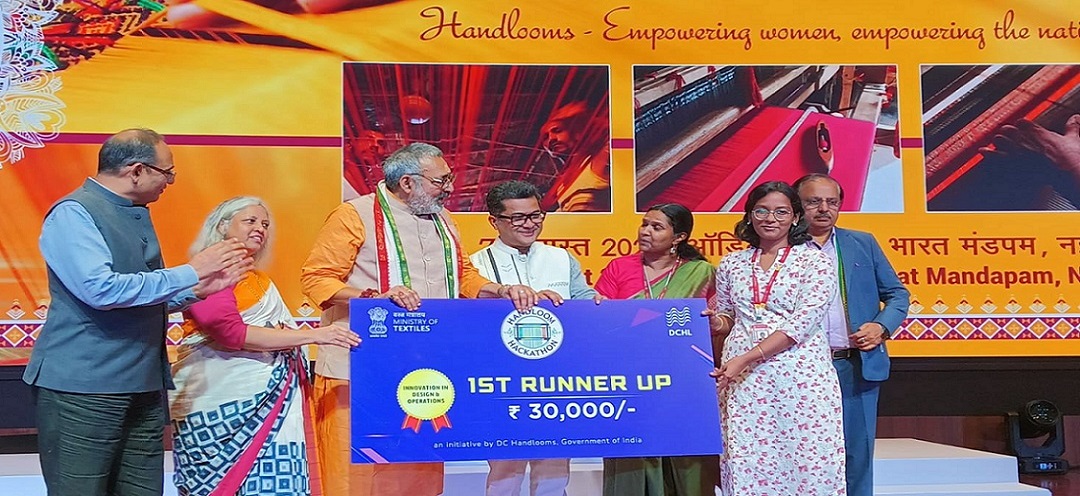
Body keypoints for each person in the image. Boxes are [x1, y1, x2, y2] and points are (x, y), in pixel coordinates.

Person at [300, 142, 541, 496]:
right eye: (441, 181)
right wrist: (374, 298)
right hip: (360, 365)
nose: (449, 188)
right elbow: (316, 279)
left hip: (425, 366)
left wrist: (499, 290)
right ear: (408, 182)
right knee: (358, 472)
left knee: (418, 464)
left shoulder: (444, 220)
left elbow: (463, 275)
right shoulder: (354, 215)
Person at [24, 128, 250, 496]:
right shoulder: (74, 213)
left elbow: (136, 298)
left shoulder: (133, 212)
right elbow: (101, 290)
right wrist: (191, 271)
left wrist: (194, 292)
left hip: (142, 382)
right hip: (85, 386)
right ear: (136, 171)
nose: (170, 182)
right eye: (167, 173)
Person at [169, 196, 361, 496]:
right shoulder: (208, 272)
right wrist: (314, 335)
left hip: (270, 402)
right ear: (222, 226)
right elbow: (231, 333)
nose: (260, 228)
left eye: (265, 224)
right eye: (250, 221)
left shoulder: (257, 279)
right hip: (221, 405)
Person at [711, 180, 845, 495]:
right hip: (744, 380)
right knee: (748, 456)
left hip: (799, 376)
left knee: (806, 457)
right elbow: (728, 315)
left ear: (796, 217)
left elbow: (802, 323)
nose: (770, 218)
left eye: (781, 212)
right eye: (762, 211)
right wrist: (715, 322)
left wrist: (746, 358)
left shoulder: (815, 261)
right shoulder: (732, 263)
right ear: (749, 215)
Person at [470, 180, 597, 496]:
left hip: (557, 379)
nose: (529, 224)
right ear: (494, 221)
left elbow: (584, 299)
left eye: (535, 215)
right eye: (517, 218)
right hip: (502, 380)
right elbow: (468, 322)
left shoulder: (561, 257)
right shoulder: (476, 265)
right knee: (505, 470)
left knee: (554, 466)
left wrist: (597, 303)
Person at [794, 173, 910, 496]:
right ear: (797, 206)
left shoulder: (862, 243)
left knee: (857, 455)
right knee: (805, 454)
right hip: (800, 369)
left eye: (832, 202)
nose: (824, 209)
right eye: (813, 202)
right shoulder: (783, 250)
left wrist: (881, 326)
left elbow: (897, 295)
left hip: (854, 366)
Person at [594, 203, 718, 496]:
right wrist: (599, 308)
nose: (645, 231)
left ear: (679, 237)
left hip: (683, 383)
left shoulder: (702, 272)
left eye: (656, 227)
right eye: (644, 224)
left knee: (685, 463)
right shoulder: (619, 268)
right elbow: (599, 322)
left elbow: (718, 325)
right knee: (632, 461)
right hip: (628, 380)